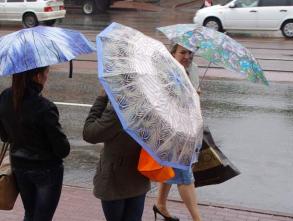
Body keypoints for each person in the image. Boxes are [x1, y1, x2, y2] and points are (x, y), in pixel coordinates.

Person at [0, 66, 70, 221]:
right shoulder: (45, 107)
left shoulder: (5, 97)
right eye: (46, 73)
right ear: (38, 76)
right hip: (46, 170)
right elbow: (62, 149)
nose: (47, 76)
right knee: (42, 216)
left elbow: (4, 136)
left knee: (30, 212)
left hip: (19, 166)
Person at [83, 89, 151, 221]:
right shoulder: (152, 105)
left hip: (115, 182)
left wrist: (101, 98)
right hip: (138, 178)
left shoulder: (120, 110)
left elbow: (89, 134)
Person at [153, 44, 202, 221]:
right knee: (184, 175)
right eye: (182, 52)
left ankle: (160, 204)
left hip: (189, 127)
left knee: (171, 167)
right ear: (172, 54)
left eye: (190, 53)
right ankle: (198, 219)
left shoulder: (193, 69)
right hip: (172, 129)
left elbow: (192, 97)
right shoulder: (166, 72)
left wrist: (195, 95)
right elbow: (161, 100)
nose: (187, 56)